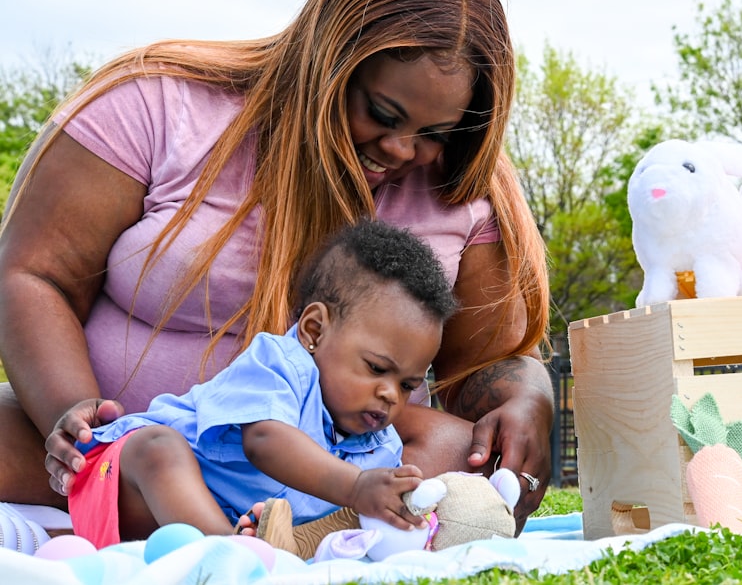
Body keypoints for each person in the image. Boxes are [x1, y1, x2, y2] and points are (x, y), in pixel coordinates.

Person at [0, 0, 552, 538]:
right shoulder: (155, 103)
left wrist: (529, 398)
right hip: (126, 454)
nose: (401, 149)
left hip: (333, 470)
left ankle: (273, 536)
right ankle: (216, 529)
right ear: (327, 60)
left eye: (436, 134)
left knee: (451, 453)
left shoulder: (463, 189)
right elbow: (33, 274)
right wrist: (73, 421)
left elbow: (488, 362)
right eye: (382, 114)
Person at [67, 220, 456, 549]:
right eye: (375, 368)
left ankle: (237, 549)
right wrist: (356, 488)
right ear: (314, 330)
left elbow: (352, 516)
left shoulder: (382, 447)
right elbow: (265, 441)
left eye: (407, 385)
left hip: (194, 530)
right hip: (126, 486)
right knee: (157, 446)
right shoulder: (279, 364)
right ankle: (232, 558)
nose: (390, 395)